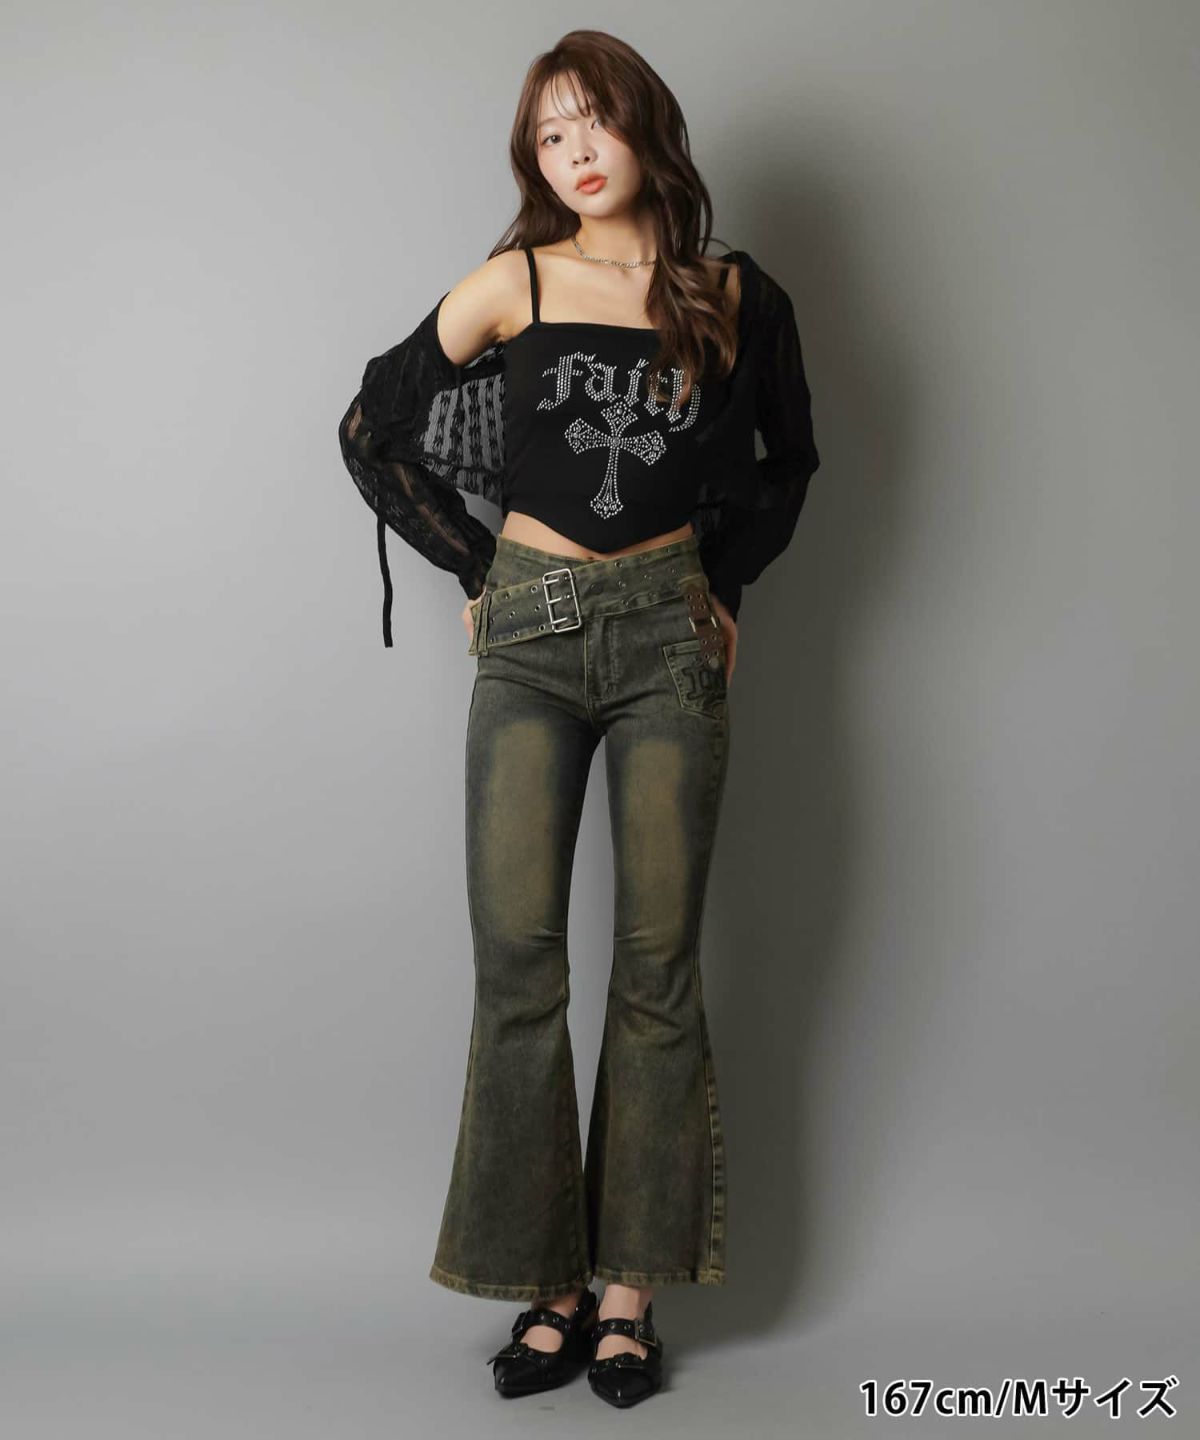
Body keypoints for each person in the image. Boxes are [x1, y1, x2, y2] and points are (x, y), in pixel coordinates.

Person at [336, 28, 821, 1409]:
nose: (575, 152)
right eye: (549, 135)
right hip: (534, 643)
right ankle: (542, 1286)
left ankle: (627, 1297)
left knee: (658, 970)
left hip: (670, 636)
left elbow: (788, 461)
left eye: (593, 121)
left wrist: (726, 587)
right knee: (519, 966)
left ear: (644, 127)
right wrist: (477, 569)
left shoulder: (737, 297)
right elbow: (373, 428)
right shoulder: (517, 281)